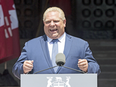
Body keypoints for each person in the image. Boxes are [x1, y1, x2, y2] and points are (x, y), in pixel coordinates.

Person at [12, 7, 101, 79]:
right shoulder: (30, 45)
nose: (51, 24)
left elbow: (96, 68)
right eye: (48, 22)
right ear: (44, 24)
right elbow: (16, 69)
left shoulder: (81, 45)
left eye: (56, 21)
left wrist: (87, 68)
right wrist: (23, 68)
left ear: (64, 22)